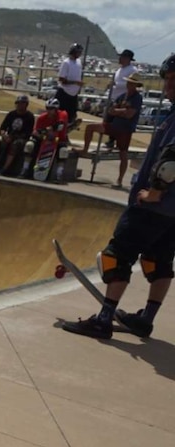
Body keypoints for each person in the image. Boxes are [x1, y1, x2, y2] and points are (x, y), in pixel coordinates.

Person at [62, 53, 175, 340]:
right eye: (167, 81)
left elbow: (172, 159)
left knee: (116, 257)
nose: (168, 87)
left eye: (174, 81)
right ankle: (145, 319)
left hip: (153, 207)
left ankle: (103, 319)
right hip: (170, 212)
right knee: (158, 262)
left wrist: (155, 192)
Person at [79, 73, 143, 188]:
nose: (129, 85)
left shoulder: (137, 98)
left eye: (132, 83)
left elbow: (130, 114)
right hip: (113, 125)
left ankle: (120, 179)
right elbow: (110, 110)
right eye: (128, 82)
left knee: (123, 154)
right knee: (90, 127)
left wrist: (118, 111)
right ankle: (85, 149)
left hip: (125, 129)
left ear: (136, 85)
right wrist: (121, 111)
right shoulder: (123, 96)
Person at [19, 97, 70, 182]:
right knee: (29, 146)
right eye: (47, 108)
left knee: (63, 151)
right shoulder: (42, 118)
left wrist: (45, 130)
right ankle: (25, 169)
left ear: (56, 109)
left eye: (52, 109)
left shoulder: (63, 114)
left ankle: (59, 175)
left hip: (59, 140)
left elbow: (59, 126)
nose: (49, 111)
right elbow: (35, 132)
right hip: (43, 139)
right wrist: (41, 135)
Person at [0, 94, 35, 176]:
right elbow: (2, 128)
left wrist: (13, 137)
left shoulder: (29, 116)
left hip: (21, 139)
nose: (19, 105)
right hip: (8, 137)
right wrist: (4, 135)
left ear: (26, 105)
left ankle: (4, 169)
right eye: (18, 103)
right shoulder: (11, 114)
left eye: (22, 103)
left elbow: (27, 133)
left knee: (14, 145)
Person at [104, 49, 139, 149]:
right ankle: (110, 140)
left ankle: (115, 141)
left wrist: (116, 84)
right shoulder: (119, 70)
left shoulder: (132, 70)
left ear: (128, 59)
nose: (120, 59)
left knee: (118, 121)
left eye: (123, 57)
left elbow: (131, 83)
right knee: (109, 119)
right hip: (115, 97)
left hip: (124, 97)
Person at [56, 43, 84, 126]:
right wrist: (75, 82)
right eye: (78, 52)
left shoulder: (79, 62)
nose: (79, 54)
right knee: (60, 115)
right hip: (64, 93)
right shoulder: (66, 63)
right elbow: (62, 79)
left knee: (71, 115)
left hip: (73, 94)